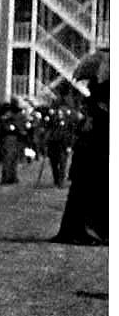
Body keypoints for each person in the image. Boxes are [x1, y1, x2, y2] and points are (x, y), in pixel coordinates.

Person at [51, 53, 109, 245]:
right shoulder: (98, 105)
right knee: (90, 193)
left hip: (90, 154)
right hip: (94, 154)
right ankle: (85, 231)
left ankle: (84, 230)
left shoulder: (93, 104)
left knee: (83, 194)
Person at [0, 101, 25, 185]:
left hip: (14, 139)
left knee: (13, 159)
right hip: (9, 138)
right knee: (8, 159)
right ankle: (7, 178)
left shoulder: (12, 118)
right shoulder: (7, 118)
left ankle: (12, 177)